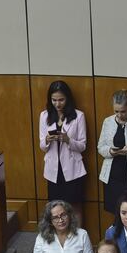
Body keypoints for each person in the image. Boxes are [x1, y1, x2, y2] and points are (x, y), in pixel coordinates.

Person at [39, 80, 87, 213]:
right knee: (56, 208)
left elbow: (82, 145)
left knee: (75, 206)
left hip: (73, 169)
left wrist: (68, 140)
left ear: (68, 99)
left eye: (61, 100)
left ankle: (78, 234)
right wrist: (47, 140)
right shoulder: (44, 116)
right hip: (53, 169)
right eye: (54, 100)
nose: (57, 104)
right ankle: (59, 234)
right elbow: (42, 146)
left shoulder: (78, 116)